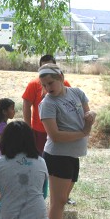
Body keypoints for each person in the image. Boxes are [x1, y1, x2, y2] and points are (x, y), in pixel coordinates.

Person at [38, 64, 96, 219]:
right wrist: (82, 133)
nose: (48, 88)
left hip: (73, 156)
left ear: (61, 77)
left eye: (51, 83)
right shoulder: (47, 103)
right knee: (58, 203)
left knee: (59, 202)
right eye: (45, 85)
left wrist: (91, 116)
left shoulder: (77, 93)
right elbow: (55, 135)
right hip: (57, 157)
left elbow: (87, 117)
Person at [22, 55, 75, 205]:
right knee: (38, 164)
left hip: (60, 132)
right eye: (43, 67)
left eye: (50, 67)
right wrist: (27, 128)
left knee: (65, 166)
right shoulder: (34, 84)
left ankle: (61, 195)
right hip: (38, 132)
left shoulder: (65, 84)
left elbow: (71, 103)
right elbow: (26, 105)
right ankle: (37, 194)